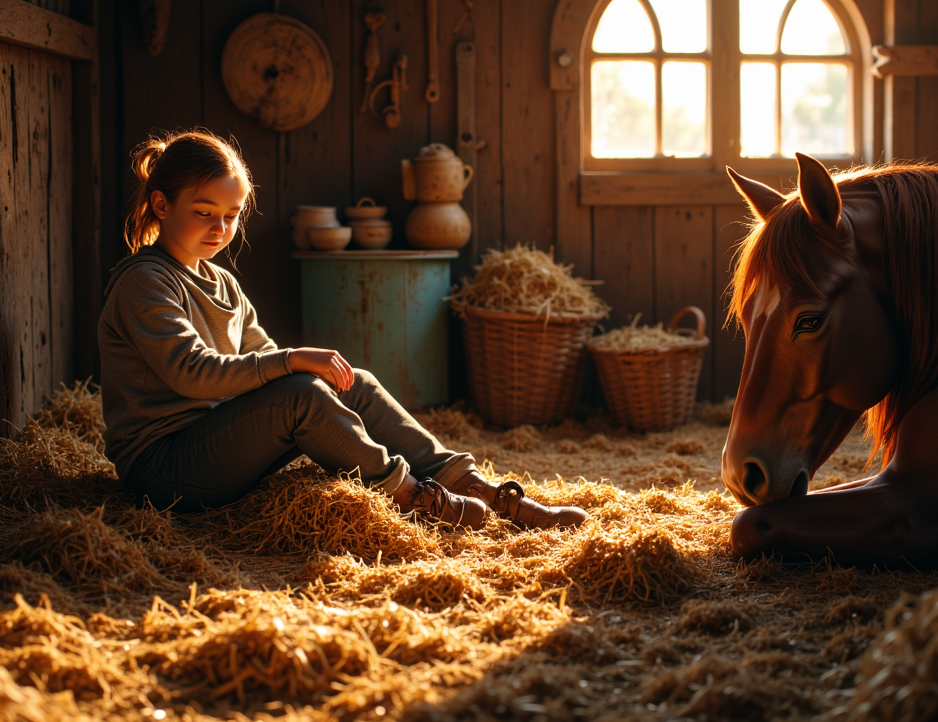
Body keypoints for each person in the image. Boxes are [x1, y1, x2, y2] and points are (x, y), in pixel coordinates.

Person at [98, 129, 586, 531]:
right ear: (161, 206)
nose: (220, 229)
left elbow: (261, 358)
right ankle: (411, 494)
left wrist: (300, 368)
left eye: (230, 216)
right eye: (204, 213)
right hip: (164, 469)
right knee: (302, 395)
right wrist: (293, 361)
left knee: (354, 381)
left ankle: (478, 489)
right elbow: (191, 373)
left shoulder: (221, 281)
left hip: (219, 445)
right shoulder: (145, 281)